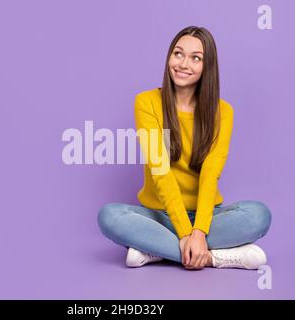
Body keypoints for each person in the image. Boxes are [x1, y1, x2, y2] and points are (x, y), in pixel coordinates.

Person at [98, 26, 271, 270]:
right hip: (158, 217)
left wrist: (198, 231)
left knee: (259, 214)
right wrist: (183, 232)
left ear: (207, 67)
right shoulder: (147, 103)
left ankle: (156, 250)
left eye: (195, 58)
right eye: (178, 53)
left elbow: (211, 172)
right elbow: (160, 171)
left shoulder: (223, 112)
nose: (183, 63)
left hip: (207, 217)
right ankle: (213, 257)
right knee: (110, 216)